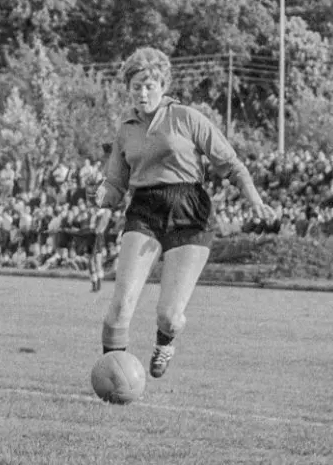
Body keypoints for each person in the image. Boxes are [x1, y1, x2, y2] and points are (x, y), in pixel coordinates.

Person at [93, 47, 274, 378]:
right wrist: (104, 194)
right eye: (136, 86)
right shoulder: (125, 128)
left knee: (170, 317)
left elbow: (231, 164)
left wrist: (255, 200)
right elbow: (115, 184)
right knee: (117, 310)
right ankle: (112, 378)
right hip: (144, 209)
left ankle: (165, 342)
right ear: (129, 89)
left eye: (150, 85)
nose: (143, 92)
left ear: (163, 85)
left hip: (190, 210)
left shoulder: (187, 117)